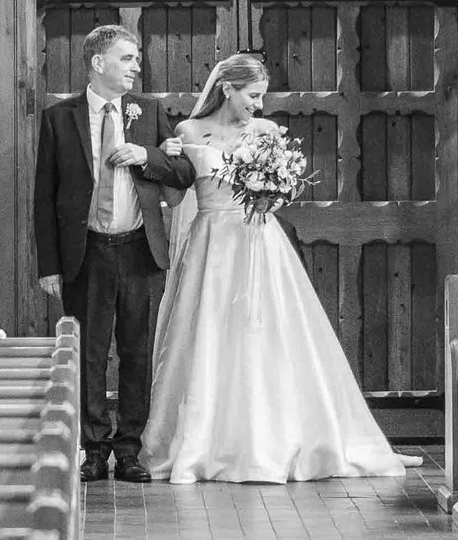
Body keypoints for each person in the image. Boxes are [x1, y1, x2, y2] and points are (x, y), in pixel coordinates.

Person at [140, 53, 398, 487]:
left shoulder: (266, 132)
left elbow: (281, 192)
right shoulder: (187, 131)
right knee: (208, 334)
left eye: (261, 96)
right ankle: (205, 438)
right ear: (227, 89)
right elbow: (173, 198)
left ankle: (273, 437)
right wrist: (168, 158)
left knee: (266, 333)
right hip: (211, 242)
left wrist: (271, 193)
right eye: (252, 95)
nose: (258, 105)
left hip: (258, 239)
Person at [33, 26, 192, 480]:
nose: (136, 66)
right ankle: (94, 447)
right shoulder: (59, 118)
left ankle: (128, 450)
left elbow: (181, 173)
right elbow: (45, 196)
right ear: (98, 63)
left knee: (137, 353)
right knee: (89, 352)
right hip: (87, 252)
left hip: (140, 250)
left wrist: (145, 154)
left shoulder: (149, 111)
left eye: (137, 58)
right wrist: (50, 266)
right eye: (126, 58)